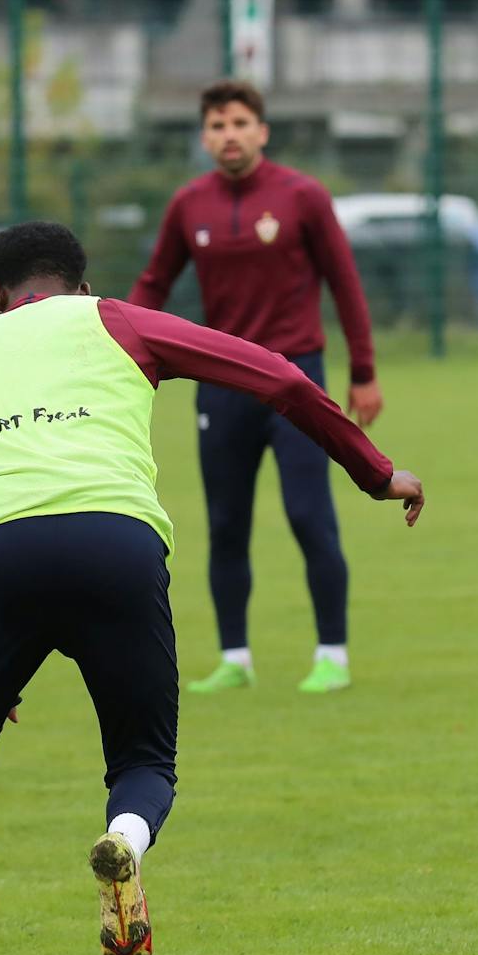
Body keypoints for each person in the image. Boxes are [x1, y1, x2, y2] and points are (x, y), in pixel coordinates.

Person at [0, 222, 425, 955]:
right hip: (115, 544)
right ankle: (125, 841)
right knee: (144, 762)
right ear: (78, 281)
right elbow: (276, 375)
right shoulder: (118, 321)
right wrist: (374, 470)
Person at [129, 79, 383, 696]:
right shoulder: (189, 205)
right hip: (221, 384)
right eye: (217, 126)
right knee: (225, 522)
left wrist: (364, 370)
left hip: (298, 379)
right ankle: (234, 658)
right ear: (204, 137)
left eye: (240, 123)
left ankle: (332, 654)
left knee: (308, 514)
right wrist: (120, 344)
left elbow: (345, 284)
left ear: (262, 131)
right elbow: (154, 284)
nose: (229, 135)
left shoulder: (303, 196)